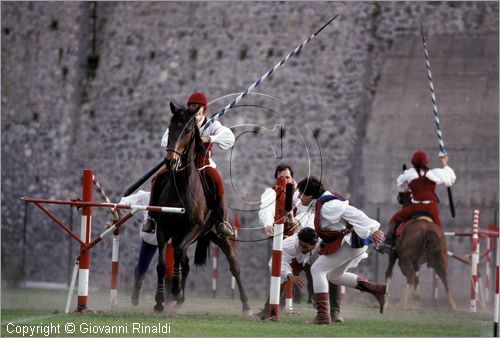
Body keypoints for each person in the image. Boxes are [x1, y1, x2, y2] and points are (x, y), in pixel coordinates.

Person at [142, 92, 235, 237]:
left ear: (204, 109)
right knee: (158, 178)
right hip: (180, 164)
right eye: (191, 106)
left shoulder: (212, 124)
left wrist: (209, 138)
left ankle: (221, 221)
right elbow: (165, 139)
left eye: (197, 106)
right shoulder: (181, 121)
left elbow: (229, 137)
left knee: (217, 181)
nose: (194, 108)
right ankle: (151, 218)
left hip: (203, 164)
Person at [298, 176, 387, 325]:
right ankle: (376, 289)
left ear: (309, 194)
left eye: (300, 193)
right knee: (334, 276)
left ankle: (322, 316)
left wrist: (372, 230)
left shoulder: (327, 206)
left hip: (350, 242)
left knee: (317, 270)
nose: (299, 197)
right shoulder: (321, 202)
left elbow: (353, 213)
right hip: (351, 243)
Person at [377, 150, 456, 253]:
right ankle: (441, 249)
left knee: (395, 218)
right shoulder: (434, 174)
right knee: (438, 228)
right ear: (427, 163)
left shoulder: (409, 174)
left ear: (413, 163)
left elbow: (400, 186)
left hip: (415, 207)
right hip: (432, 208)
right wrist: (444, 162)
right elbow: (450, 177)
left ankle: (388, 243)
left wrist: (406, 190)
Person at [118, 190, 174, 306]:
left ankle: (169, 298)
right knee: (142, 268)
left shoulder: (174, 197)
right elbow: (127, 200)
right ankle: (137, 287)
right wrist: (121, 206)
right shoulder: (146, 196)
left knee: (169, 270)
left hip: (168, 240)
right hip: (151, 238)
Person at [258, 163, 299, 237]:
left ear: (292, 178)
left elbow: (306, 211)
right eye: (281, 178)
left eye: (287, 177)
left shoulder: (299, 193)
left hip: (298, 235)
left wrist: (296, 220)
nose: (285, 180)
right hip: (279, 233)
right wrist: (268, 223)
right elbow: (266, 208)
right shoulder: (271, 192)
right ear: (277, 179)